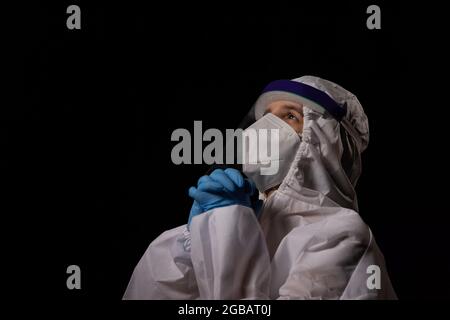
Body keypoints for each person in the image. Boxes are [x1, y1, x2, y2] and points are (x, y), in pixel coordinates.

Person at [123, 75, 397, 300]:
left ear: (324, 143)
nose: (266, 128)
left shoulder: (343, 234)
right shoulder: (252, 217)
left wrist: (230, 229)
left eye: (289, 116)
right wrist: (192, 240)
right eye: (266, 116)